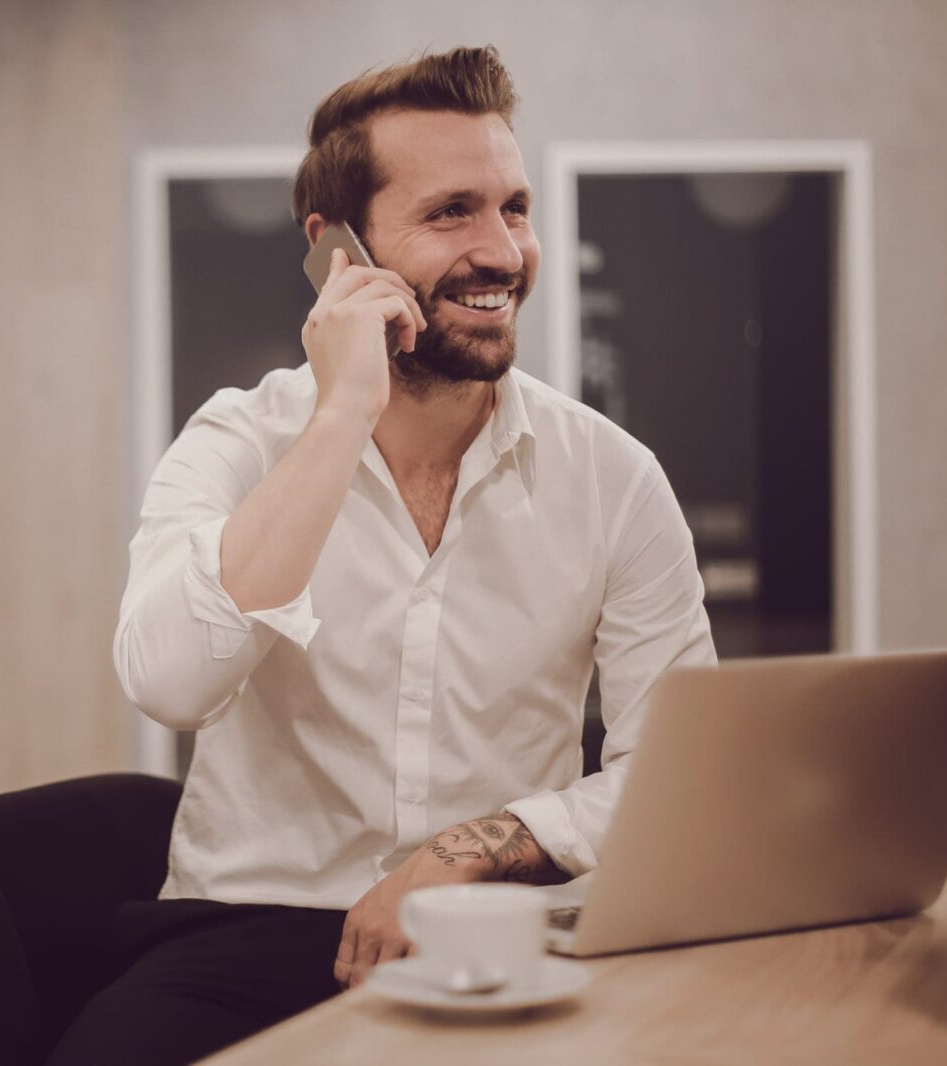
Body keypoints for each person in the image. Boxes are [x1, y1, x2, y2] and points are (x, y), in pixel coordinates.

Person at [55, 45, 716, 1065]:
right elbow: (171, 683)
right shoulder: (237, 441)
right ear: (338, 252)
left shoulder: (613, 477)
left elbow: (670, 771)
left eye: (514, 207)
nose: (501, 251)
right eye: (451, 212)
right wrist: (343, 412)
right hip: (247, 928)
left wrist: (465, 851)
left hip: (503, 926)